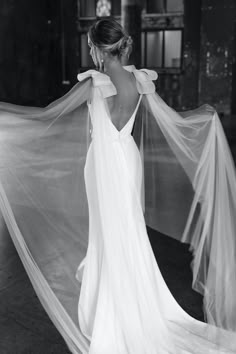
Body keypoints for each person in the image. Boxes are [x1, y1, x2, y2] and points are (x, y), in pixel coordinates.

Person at [0, 17, 236, 353]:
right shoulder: (139, 80)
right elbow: (170, 115)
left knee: (109, 231)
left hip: (103, 164)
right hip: (127, 160)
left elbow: (50, 113)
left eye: (90, 47)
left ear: (97, 48)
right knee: (127, 229)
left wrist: (8, 115)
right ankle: (136, 301)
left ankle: (115, 311)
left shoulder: (94, 83)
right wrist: (204, 118)